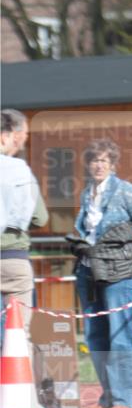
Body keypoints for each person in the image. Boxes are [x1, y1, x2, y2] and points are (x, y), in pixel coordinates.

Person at [71, 138, 132, 408]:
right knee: (95, 334)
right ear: (88, 164)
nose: (99, 165)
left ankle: (125, 399)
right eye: (95, 160)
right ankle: (107, 396)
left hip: (120, 272)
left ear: (113, 164)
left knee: (121, 334)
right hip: (89, 269)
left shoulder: (127, 192)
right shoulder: (87, 193)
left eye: (104, 160)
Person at [0, 109, 49, 342]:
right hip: (13, 256)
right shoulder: (20, 171)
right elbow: (40, 218)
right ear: (6, 136)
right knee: (18, 334)